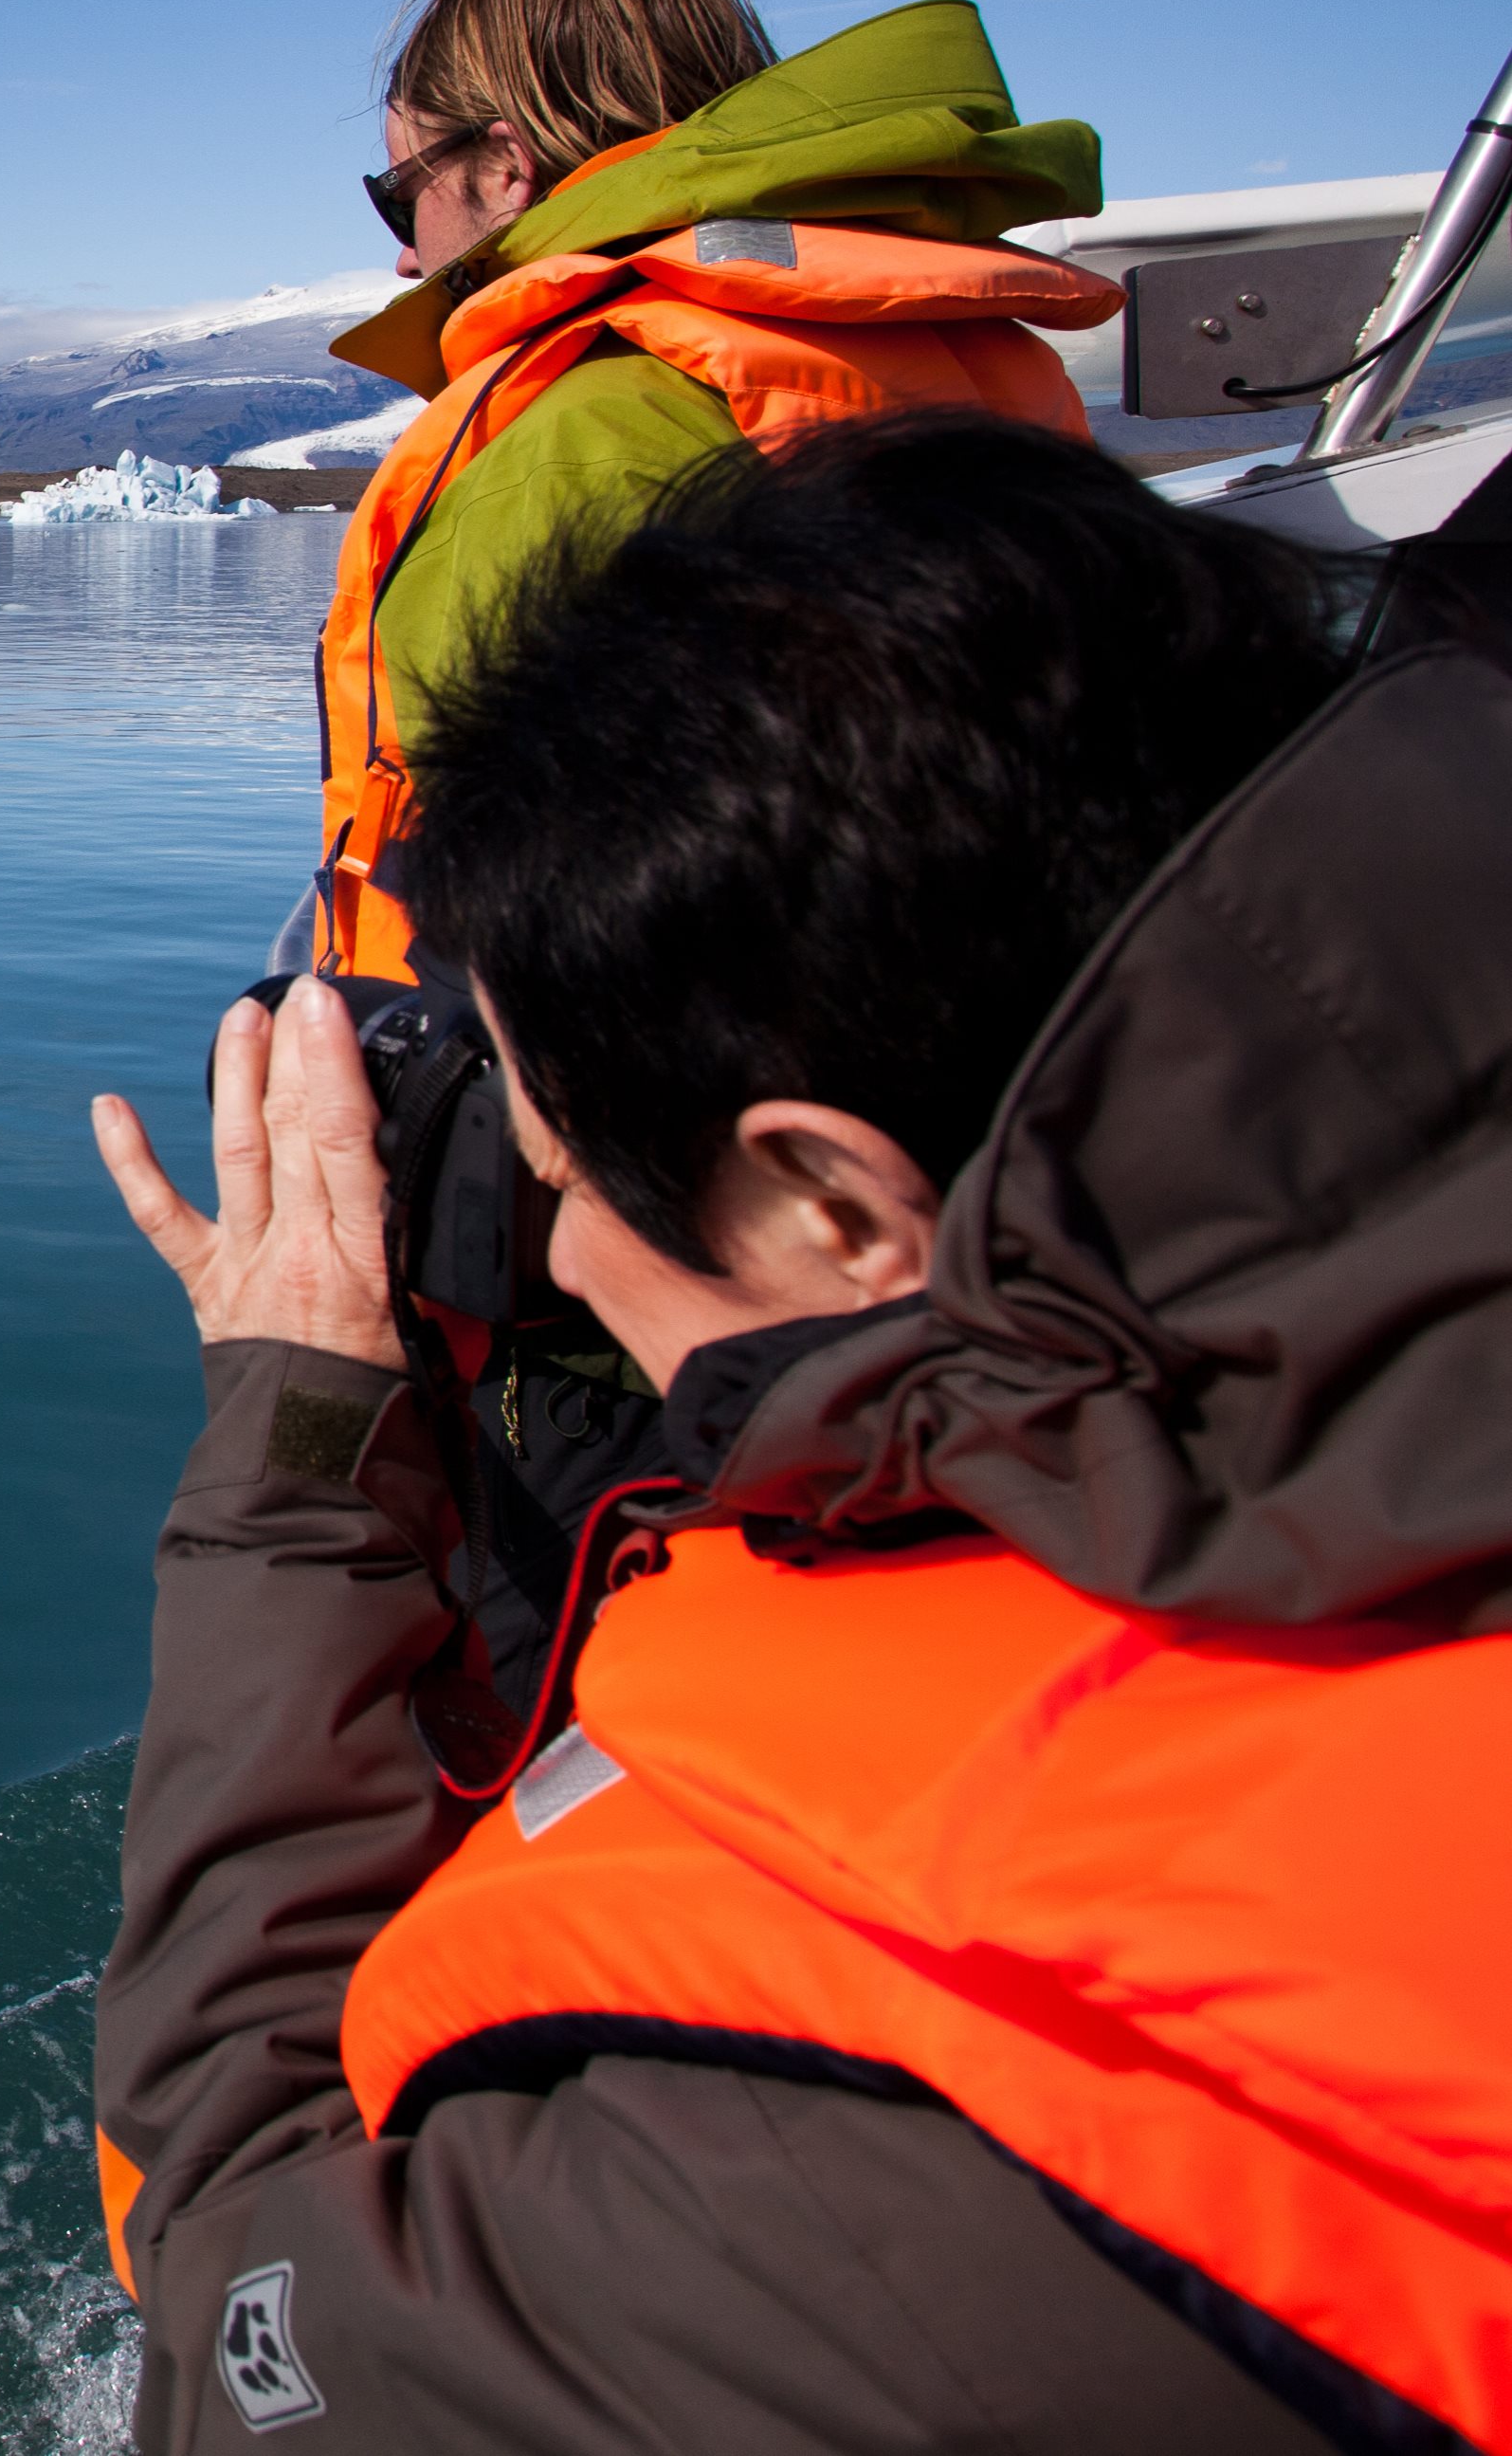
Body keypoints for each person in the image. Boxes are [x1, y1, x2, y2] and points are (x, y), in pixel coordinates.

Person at [81, 413, 1512, 2451]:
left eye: (561, 1168)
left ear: (835, 1203)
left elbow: (237, 2311)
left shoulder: (835, 2193)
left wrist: (298, 1442)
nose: (559, 1252)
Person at [312, 0, 1117, 988]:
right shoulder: (939, 356)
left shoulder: (576, 441)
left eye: (396, 193)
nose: (407, 253)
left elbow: (559, 931)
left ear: (504, 166)